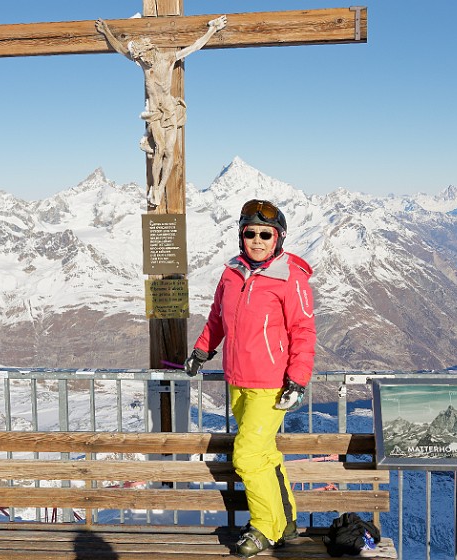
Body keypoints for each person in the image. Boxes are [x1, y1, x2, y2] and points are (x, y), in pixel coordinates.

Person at [185, 199, 316, 558]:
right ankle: (285, 524)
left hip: (271, 384)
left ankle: (263, 528)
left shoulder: (291, 276)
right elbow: (217, 318)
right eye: (250, 233)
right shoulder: (231, 273)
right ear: (241, 236)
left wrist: (297, 380)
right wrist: (201, 350)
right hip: (238, 381)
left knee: (245, 456)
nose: (257, 240)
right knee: (264, 455)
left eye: (265, 234)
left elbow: (303, 331)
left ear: (278, 237)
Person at [95, 15, 227, 207]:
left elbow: (195, 46)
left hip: (169, 111)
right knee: (159, 150)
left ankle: (160, 187)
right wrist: (106, 31)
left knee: (169, 152)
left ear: (150, 51)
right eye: (140, 59)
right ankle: (155, 188)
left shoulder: (168, 59)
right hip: (154, 113)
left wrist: (212, 29)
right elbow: (121, 49)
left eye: (144, 57)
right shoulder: (144, 65)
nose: (142, 61)